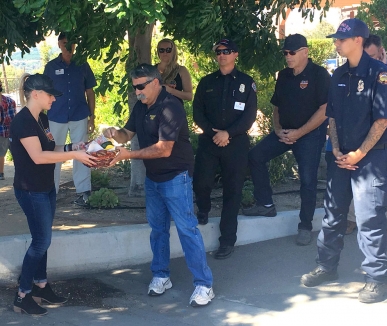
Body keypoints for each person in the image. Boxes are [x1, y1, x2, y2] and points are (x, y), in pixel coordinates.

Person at [103, 64, 214, 307]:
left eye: (141, 86)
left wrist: (127, 156)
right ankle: (162, 276)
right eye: (134, 88)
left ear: (156, 82)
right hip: (153, 179)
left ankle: (204, 284)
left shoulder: (170, 106)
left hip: (176, 176)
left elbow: (164, 149)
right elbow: (127, 134)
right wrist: (113, 133)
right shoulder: (141, 107)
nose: (138, 92)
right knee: (158, 230)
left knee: (187, 229)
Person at [301, 19, 387, 304]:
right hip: (341, 157)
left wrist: (359, 153)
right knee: (333, 215)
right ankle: (327, 267)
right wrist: (339, 150)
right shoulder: (338, 74)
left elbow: (382, 120)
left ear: (357, 41)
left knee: (369, 219)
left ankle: (377, 278)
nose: (336, 43)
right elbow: (332, 117)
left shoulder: (380, 74)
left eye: (341, 39)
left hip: (371, 159)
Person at [10, 73, 97, 316]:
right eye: (50, 95)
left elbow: (50, 148)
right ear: (35, 94)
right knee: (41, 242)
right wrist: (75, 157)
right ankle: (22, 295)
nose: (54, 99)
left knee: (43, 238)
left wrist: (73, 147)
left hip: (46, 187)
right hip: (30, 190)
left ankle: (40, 284)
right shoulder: (23, 121)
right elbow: (38, 157)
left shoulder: (41, 119)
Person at [243, 34, 330, 246]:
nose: (288, 57)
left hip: (310, 135)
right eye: (285, 53)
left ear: (305, 52)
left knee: (308, 180)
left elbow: (325, 110)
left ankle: (305, 226)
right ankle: (265, 205)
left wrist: (299, 133)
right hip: (284, 132)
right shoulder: (283, 75)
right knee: (255, 156)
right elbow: (276, 106)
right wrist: (278, 129)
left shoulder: (319, 75)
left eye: (292, 53)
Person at [192, 38, 257, 259]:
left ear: (235, 54)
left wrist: (227, 133)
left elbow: (249, 117)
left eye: (227, 51)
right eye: (218, 51)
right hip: (210, 141)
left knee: (233, 192)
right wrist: (214, 133)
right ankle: (203, 209)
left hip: (235, 143)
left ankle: (227, 240)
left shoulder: (247, 83)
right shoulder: (206, 82)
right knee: (201, 182)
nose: (222, 55)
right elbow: (197, 113)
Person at [345, 34, 387, 239]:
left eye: (374, 56)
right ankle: (351, 218)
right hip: (359, 125)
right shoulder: (355, 69)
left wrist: (384, 67)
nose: (370, 60)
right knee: (354, 169)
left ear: (382, 51)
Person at [43, 32, 97, 206]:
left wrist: (92, 116)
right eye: (65, 43)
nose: (69, 47)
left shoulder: (82, 65)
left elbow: (90, 91)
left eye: (72, 44)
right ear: (59, 44)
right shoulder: (50, 67)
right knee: (53, 153)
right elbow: (45, 93)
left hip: (79, 115)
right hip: (56, 116)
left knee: (82, 152)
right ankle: (51, 192)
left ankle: (83, 192)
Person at [155, 38, 193, 103]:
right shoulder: (151, 70)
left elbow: (189, 96)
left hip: (174, 109)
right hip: (155, 109)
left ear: (173, 51)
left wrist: (171, 91)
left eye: (168, 50)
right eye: (161, 50)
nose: (165, 53)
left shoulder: (181, 70)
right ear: (158, 52)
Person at [0, 80, 17, 180]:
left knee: (14, 152)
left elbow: (9, 119)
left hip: (6, 131)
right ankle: (1, 173)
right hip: (7, 131)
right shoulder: (10, 101)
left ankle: (1, 173)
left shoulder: (10, 102)